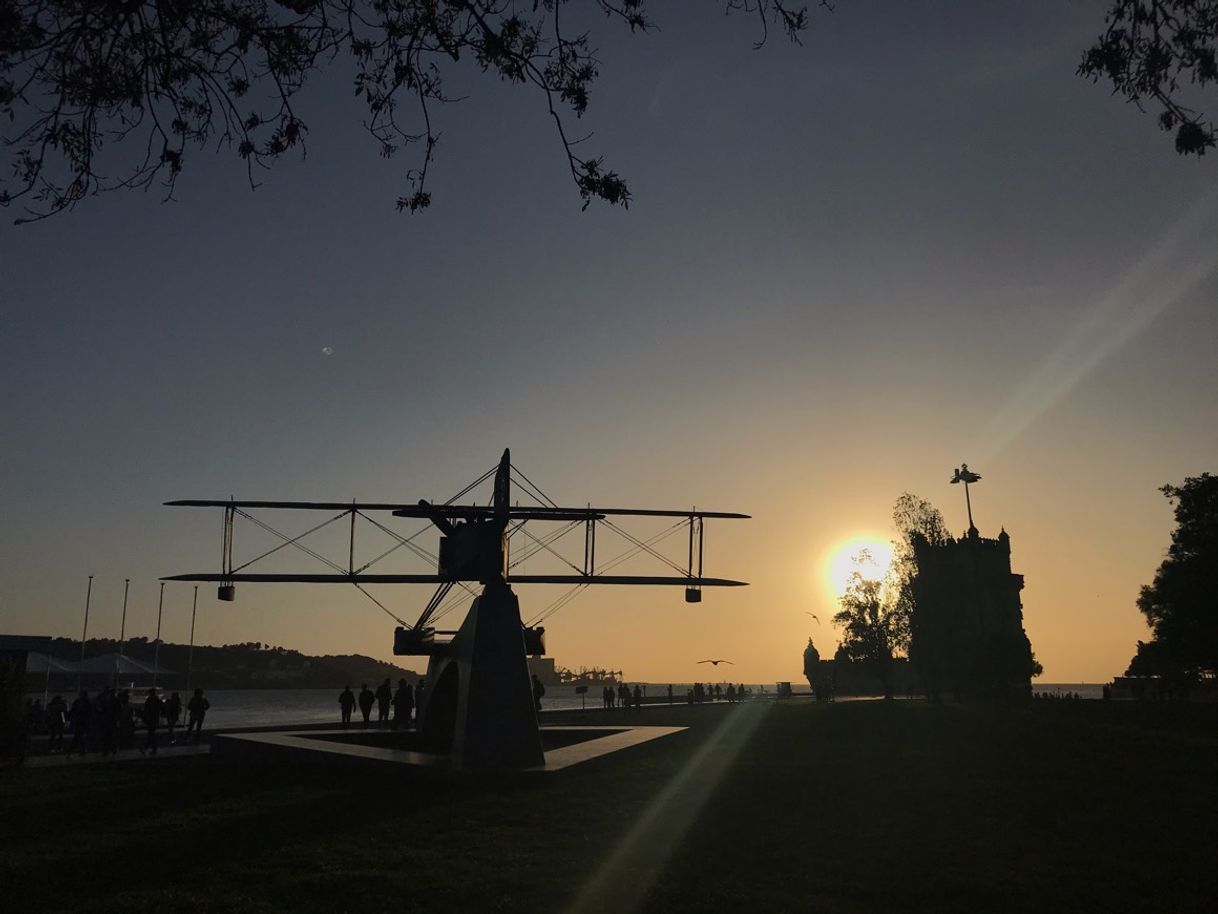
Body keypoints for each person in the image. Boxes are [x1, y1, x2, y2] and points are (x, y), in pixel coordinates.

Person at [67, 690, 92, 756]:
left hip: (80, 721)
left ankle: (73, 750)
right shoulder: (86, 702)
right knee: (79, 736)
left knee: (79, 736)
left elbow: (73, 711)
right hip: (81, 721)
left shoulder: (80, 702)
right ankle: (79, 750)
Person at [140, 688, 164, 755]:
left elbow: (146, 710)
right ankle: (149, 748)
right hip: (154, 719)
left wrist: (144, 717)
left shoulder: (149, 700)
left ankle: (147, 747)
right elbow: (162, 707)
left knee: (151, 734)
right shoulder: (157, 700)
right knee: (151, 734)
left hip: (150, 720)